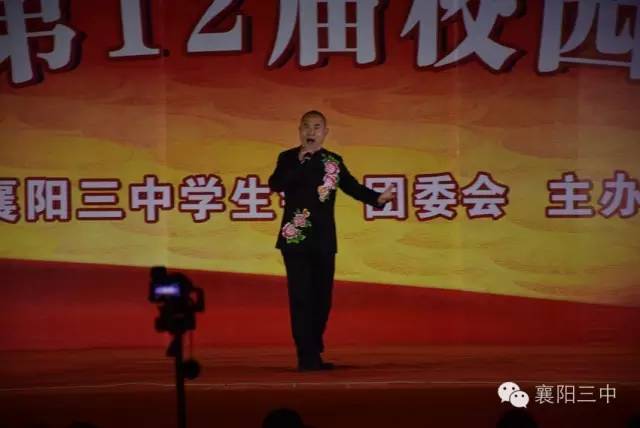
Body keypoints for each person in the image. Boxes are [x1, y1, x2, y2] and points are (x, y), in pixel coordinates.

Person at [268, 110, 394, 371]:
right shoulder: (288, 158)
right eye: (306, 127)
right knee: (301, 298)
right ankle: (306, 356)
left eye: (317, 127)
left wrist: (377, 199)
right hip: (295, 237)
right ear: (299, 130)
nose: (311, 132)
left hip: (323, 239)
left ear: (325, 132)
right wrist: (299, 162)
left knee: (322, 299)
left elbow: (352, 187)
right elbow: (276, 184)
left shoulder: (333, 162)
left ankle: (313, 349)